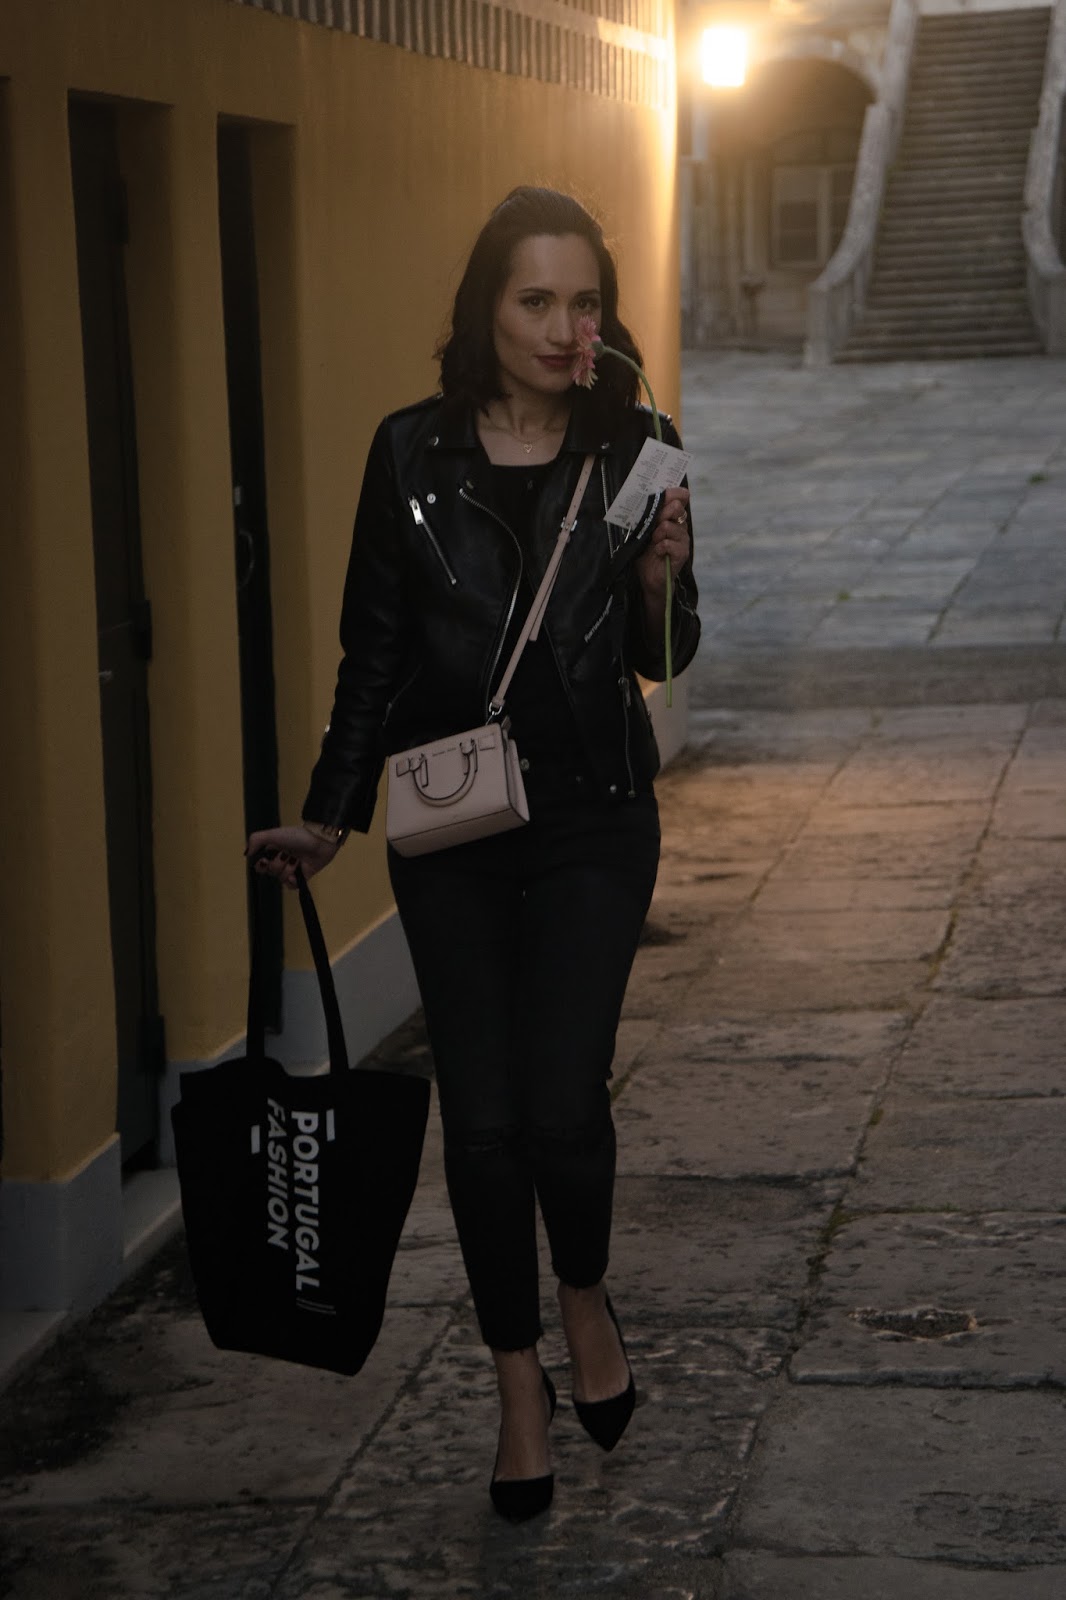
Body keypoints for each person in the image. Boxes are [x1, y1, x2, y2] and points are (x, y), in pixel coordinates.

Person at [249, 185, 700, 1522]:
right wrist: (330, 814)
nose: (565, 329)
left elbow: (662, 655)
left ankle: (583, 1297)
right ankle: (516, 1383)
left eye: (584, 302)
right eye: (535, 300)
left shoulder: (639, 445)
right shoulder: (410, 454)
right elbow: (375, 653)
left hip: (594, 816)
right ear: (485, 309)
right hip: (451, 820)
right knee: (486, 1124)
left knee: (561, 1106)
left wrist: (659, 584)